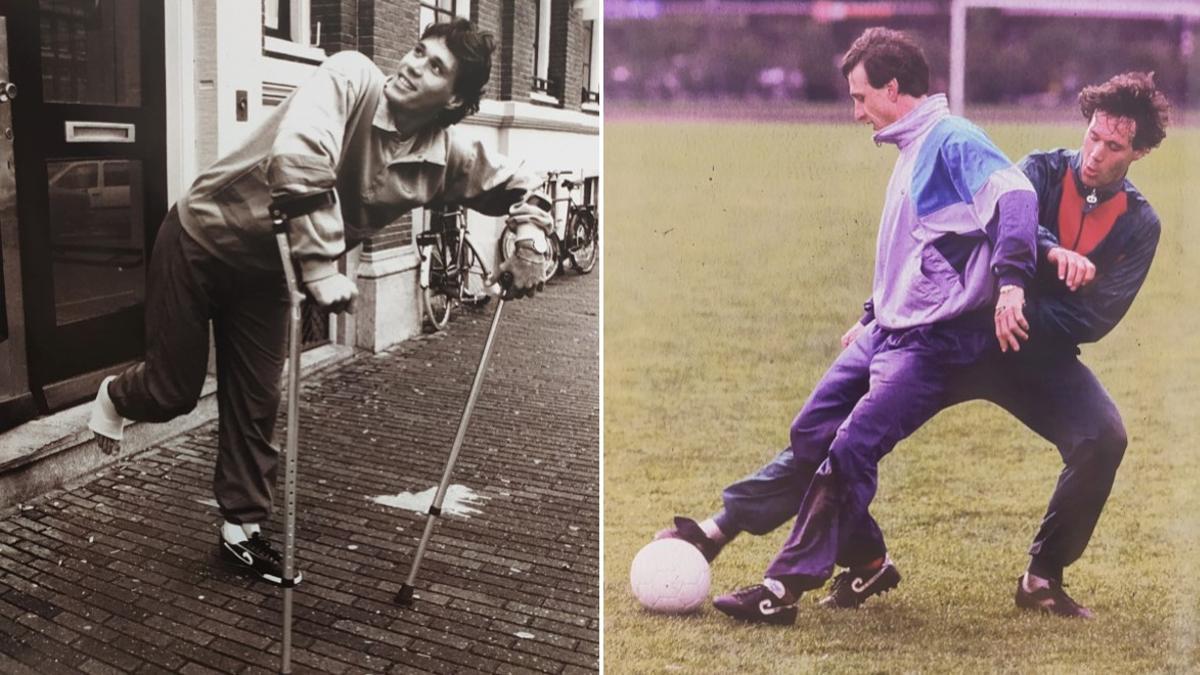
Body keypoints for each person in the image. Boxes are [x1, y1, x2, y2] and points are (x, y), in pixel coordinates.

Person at [659, 71, 1168, 620]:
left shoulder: (1140, 223)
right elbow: (976, 229)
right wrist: (888, 312)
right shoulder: (1041, 169)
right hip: (952, 337)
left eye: (1113, 146)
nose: (1095, 153)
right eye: (1093, 134)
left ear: (1139, 151)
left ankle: (1042, 577)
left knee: (1103, 436)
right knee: (835, 434)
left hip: (1030, 352)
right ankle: (771, 538)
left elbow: (1094, 317)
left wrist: (1016, 309)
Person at [86, 19, 553, 586]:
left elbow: (521, 183)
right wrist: (318, 264)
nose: (412, 64)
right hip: (200, 240)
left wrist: (529, 238)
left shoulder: (444, 158)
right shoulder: (351, 76)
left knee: (257, 404)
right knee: (172, 391)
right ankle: (113, 396)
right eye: (417, 50)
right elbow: (302, 155)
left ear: (454, 98)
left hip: (265, 276)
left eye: (435, 66)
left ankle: (240, 532)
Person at [664, 27, 1041, 626]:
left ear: (894, 89)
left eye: (862, 97)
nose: (855, 111)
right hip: (886, 329)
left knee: (851, 445)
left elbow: (1016, 197)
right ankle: (867, 559)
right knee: (812, 431)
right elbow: (926, 248)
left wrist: (1013, 281)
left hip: (933, 342)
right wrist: (873, 312)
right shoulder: (915, 145)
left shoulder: (953, 140)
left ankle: (782, 589)